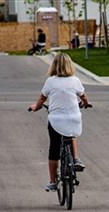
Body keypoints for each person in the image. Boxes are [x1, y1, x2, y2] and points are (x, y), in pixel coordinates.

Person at [29, 52, 91, 192]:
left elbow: (42, 99)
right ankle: (76, 159)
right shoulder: (75, 80)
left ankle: (52, 182)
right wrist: (86, 103)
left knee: (54, 148)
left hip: (56, 119)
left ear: (54, 66)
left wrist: (35, 107)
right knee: (71, 134)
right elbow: (84, 96)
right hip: (74, 118)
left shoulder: (51, 81)